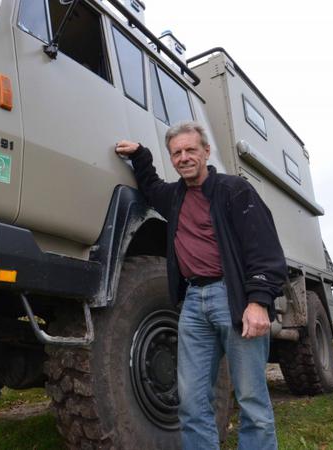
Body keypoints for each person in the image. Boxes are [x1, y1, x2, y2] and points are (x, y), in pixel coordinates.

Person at [115, 122, 286, 450]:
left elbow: (264, 250)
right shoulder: (174, 197)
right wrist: (140, 154)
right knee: (192, 401)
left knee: (252, 400)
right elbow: (150, 185)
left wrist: (258, 301)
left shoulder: (235, 191)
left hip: (234, 299)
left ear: (206, 152)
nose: (183, 157)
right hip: (193, 303)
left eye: (190, 150)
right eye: (176, 153)